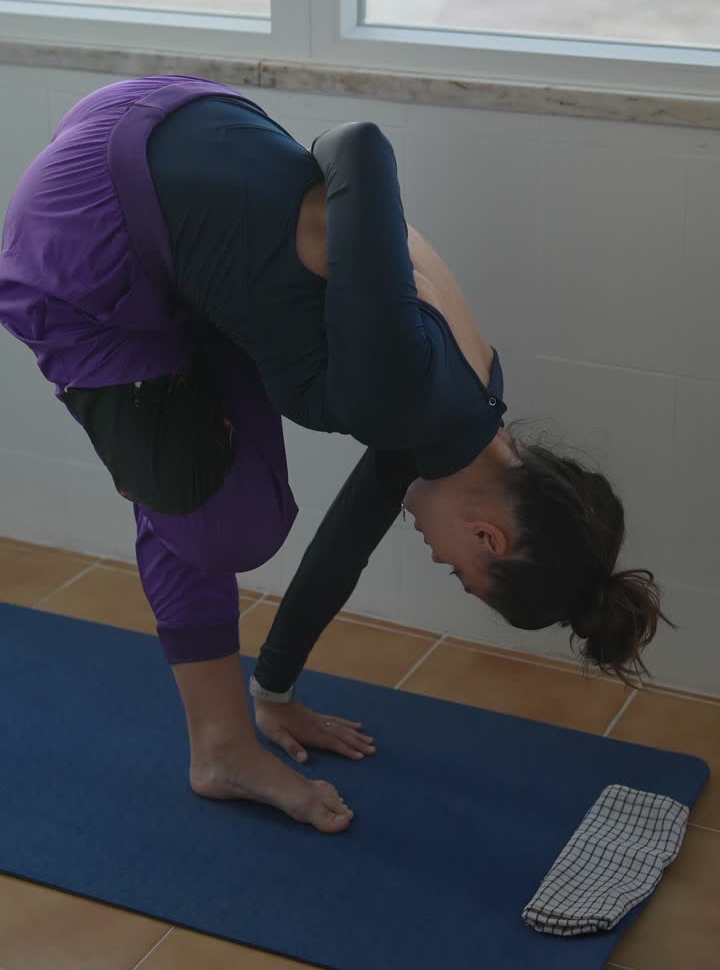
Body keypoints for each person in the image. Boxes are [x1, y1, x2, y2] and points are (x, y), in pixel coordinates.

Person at [0, 75, 671, 836]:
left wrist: (277, 690)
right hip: (90, 220)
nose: (438, 557)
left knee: (230, 496)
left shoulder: (474, 396)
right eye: (460, 570)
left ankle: (229, 723)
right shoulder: (395, 394)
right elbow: (361, 148)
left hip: (166, 119)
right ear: (492, 538)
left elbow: (342, 545)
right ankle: (219, 750)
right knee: (231, 525)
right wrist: (306, 222)